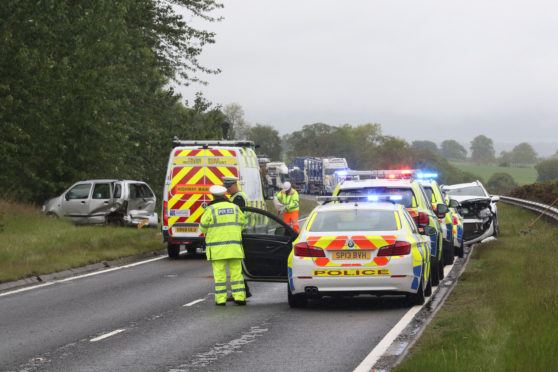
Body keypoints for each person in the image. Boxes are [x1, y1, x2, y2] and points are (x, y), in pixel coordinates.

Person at [200, 185, 247, 306]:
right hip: (234, 248)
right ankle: (240, 297)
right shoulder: (235, 208)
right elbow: (243, 224)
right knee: (237, 274)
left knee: (220, 276)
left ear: (213, 196)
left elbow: (203, 228)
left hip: (217, 249)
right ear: (225, 195)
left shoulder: (210, 210)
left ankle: (220, 300)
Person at [221, 176, 252, 299]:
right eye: (226, 187)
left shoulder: (238, 198)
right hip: (239, 233)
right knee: (238, 265)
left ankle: (241, 292)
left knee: (237, 266)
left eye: (229, 187)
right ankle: (244, 290)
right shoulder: (235, 197)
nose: (227, 190)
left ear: (235, 185)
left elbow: (236, 216)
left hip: (239, 233)